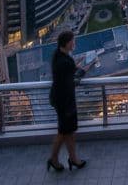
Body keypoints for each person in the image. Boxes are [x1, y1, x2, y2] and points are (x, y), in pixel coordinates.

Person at [48, 30, 89, 172]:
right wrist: (84, 69)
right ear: (67, 43)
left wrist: (75, 68)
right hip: (65, 103)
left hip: (59, 100)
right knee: (65, 132)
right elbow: (75, 77)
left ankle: (70, 158)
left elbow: (68, 74)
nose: (74, 43)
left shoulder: (57, 55)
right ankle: (60, 159)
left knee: (67, 132)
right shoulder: (65, 62)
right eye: (73, 41)